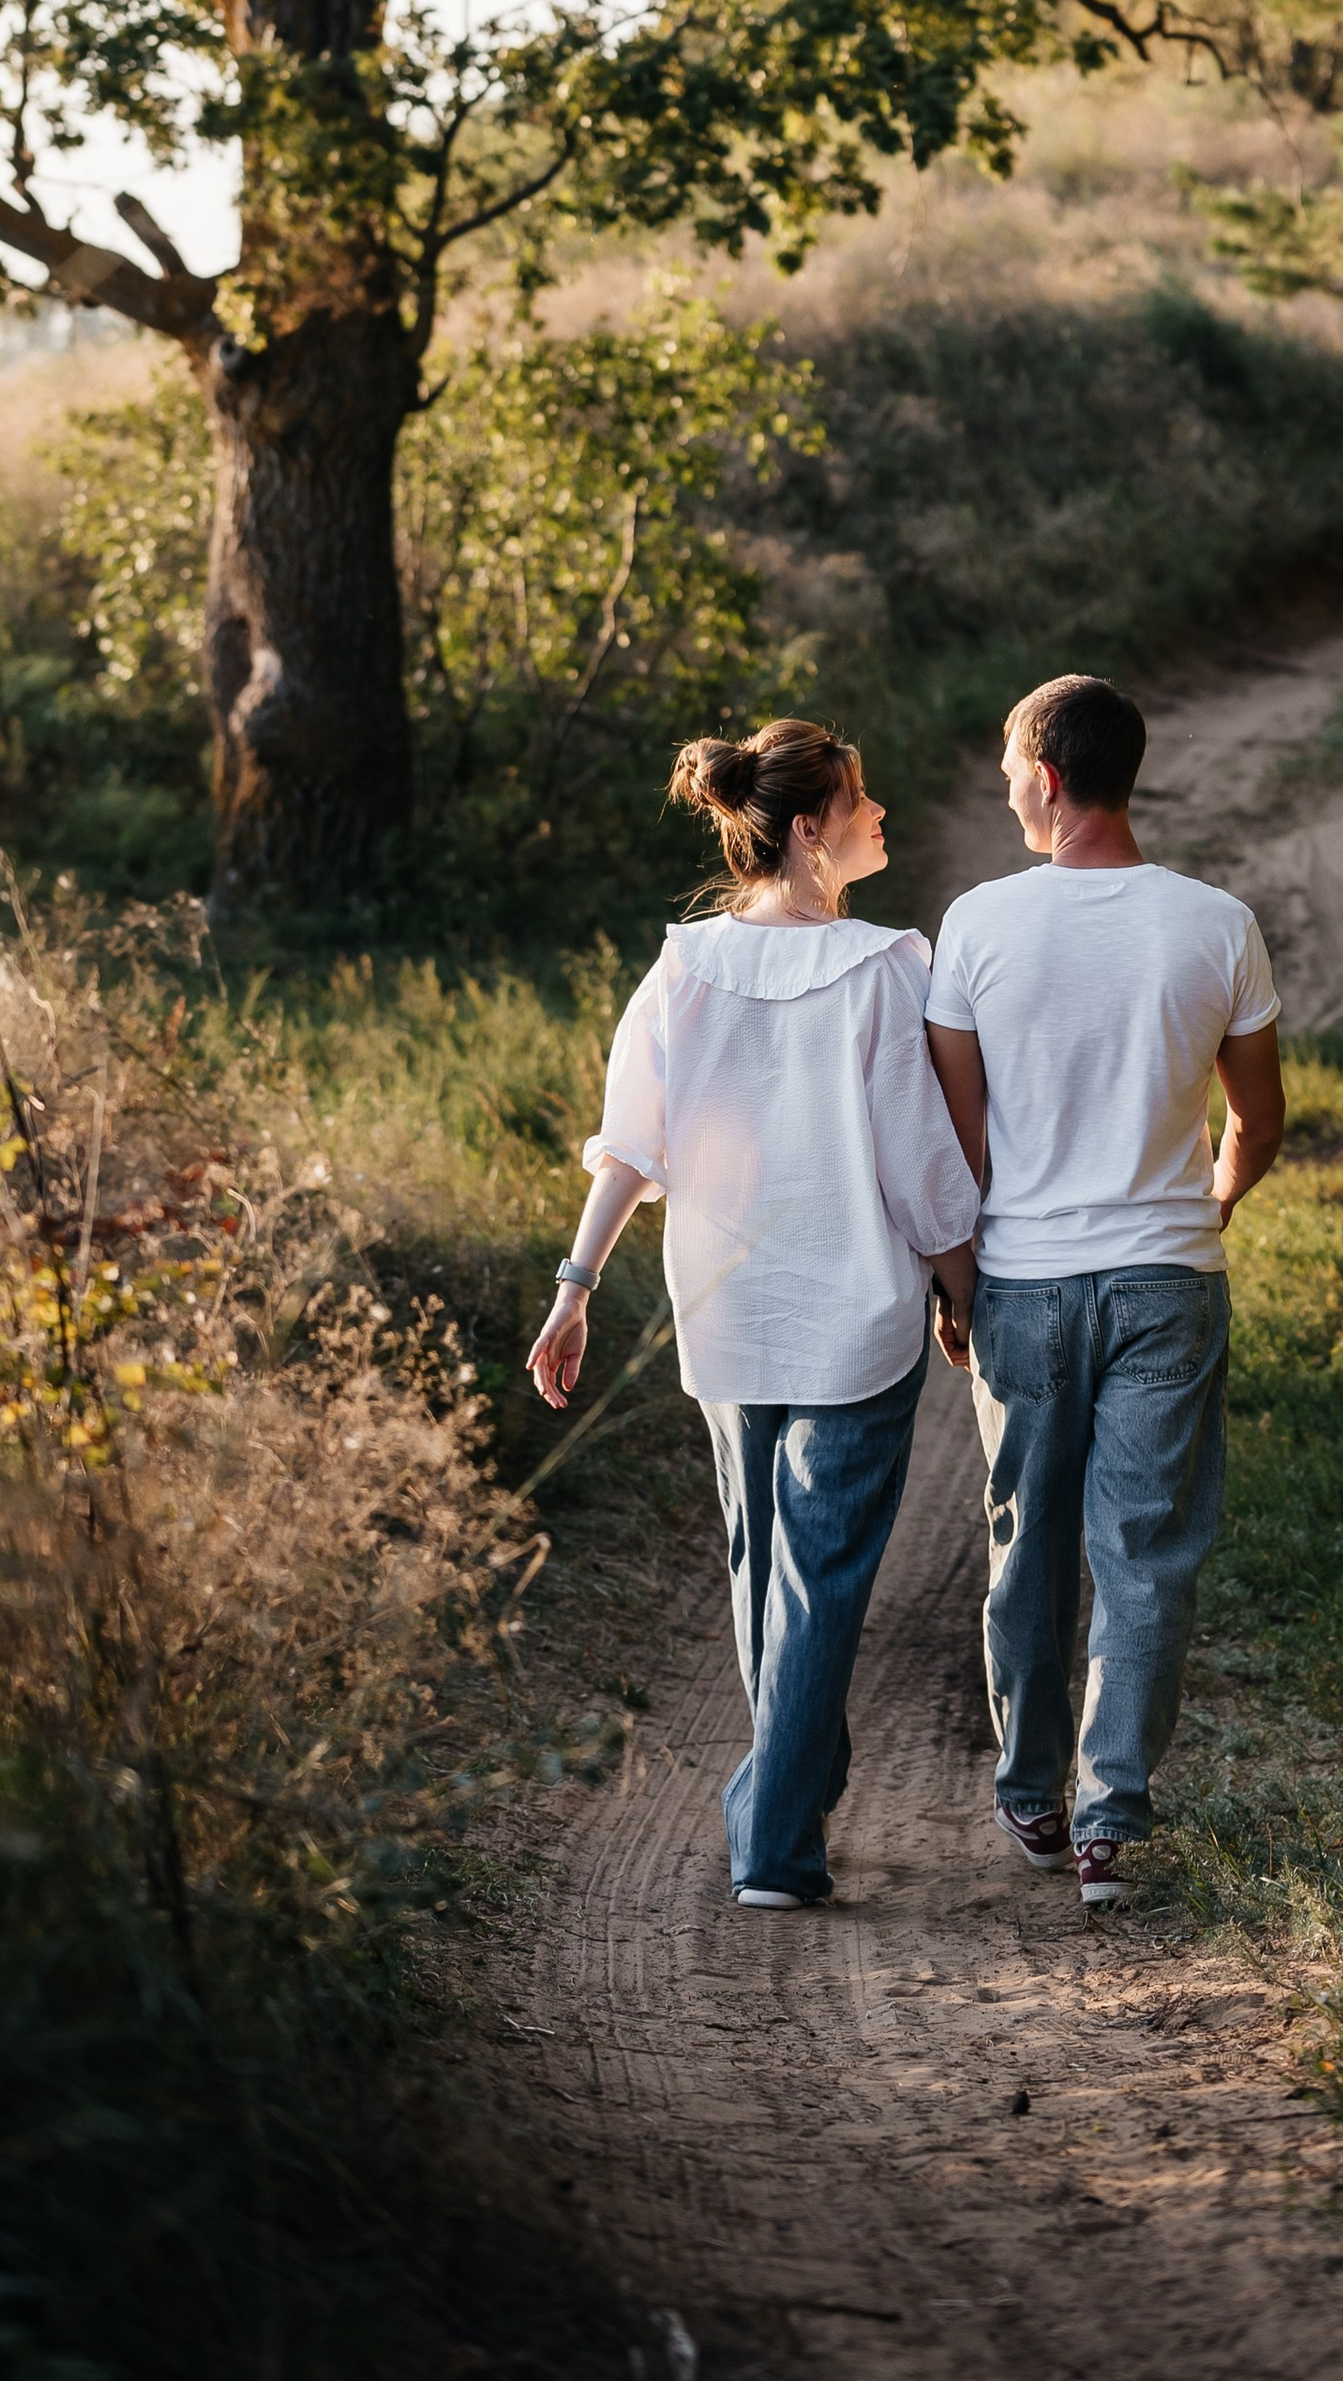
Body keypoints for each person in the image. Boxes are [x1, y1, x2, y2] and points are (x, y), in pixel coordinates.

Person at [528, 719, 979, 1908]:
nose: (880, 815)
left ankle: (792, 1780)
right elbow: (919, 1158)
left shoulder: (683, 967)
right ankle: (777, 1844)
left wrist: (575, 1288)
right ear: (808, 830)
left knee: (759, 1562)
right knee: (815, 1576)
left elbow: (630, 1145)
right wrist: (963, 1284)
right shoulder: (889, 967)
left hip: (725, 1313)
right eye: (862, 800)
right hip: (855, 1317)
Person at [925, 671, 1286, 1910]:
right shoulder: (1217, 924)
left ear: (1048, 777)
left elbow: (958, 1141)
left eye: (1009, 774)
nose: (1006, 794)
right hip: (1165, 1281)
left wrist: (957, 1283)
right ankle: (1108, 1819)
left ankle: (1029, 1794)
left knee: (1027, 1544)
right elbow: (1257, 1121)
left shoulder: (976, 925)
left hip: (1023, 1285)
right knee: (1144, 1553)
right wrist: (1211, 1202)